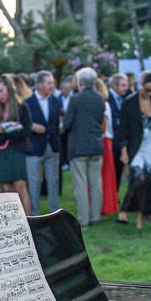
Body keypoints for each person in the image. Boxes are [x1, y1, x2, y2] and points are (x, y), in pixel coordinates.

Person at [119, 72, 151, 229]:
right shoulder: (130, 102)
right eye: (148, 89)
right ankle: (124, 209)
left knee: (148, 182)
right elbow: (123, 129)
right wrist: (124, 150)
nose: (150, 93)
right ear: (142, 85)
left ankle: (139, 216)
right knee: (138, 178)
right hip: (136, 145)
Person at [63, 68, 108, 226]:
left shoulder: (75, 99)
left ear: (79, 82)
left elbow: (67, 123)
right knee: (96, 183)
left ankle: (83, 218)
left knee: (80, 185)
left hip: (79, 147)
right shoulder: (100, 98)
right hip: (96, 145)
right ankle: (96, 216)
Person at [0, 75, 32, 214]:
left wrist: (4, 130)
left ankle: (28, 221)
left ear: (9, 90)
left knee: (20, 186)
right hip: (2, 153)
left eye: (1, 91)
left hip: (17, 150)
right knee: (5, 188)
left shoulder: (21, 107)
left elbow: (26, 130)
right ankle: (12, 222)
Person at [24, 70, 63, 214]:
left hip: (52, 146)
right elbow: (22, 124)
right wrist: (33, 126)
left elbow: (57, 122)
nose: (52, 85)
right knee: (34, 182)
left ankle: (55, 210)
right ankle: (35, 212)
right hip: (34, 147)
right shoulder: (28, 103)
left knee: (53, 180)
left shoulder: (55, 100)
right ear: (39, 84)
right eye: (49, 83)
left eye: (53, 82)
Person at [93, 77, 119, 217]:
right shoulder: (106, 104)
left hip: (102, 140)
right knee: (106, 176)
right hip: (107, 140)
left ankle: (103, 205)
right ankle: (107, 204)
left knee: (101, 176)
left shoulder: (101, 104)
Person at [108, 74, 130, 187]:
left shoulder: (124, 98)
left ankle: (114, 195)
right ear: (115, 85)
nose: (126, 88)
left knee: (118, 170)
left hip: (120, 140)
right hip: (111, 140)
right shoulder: (107, 98)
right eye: (123, 85)